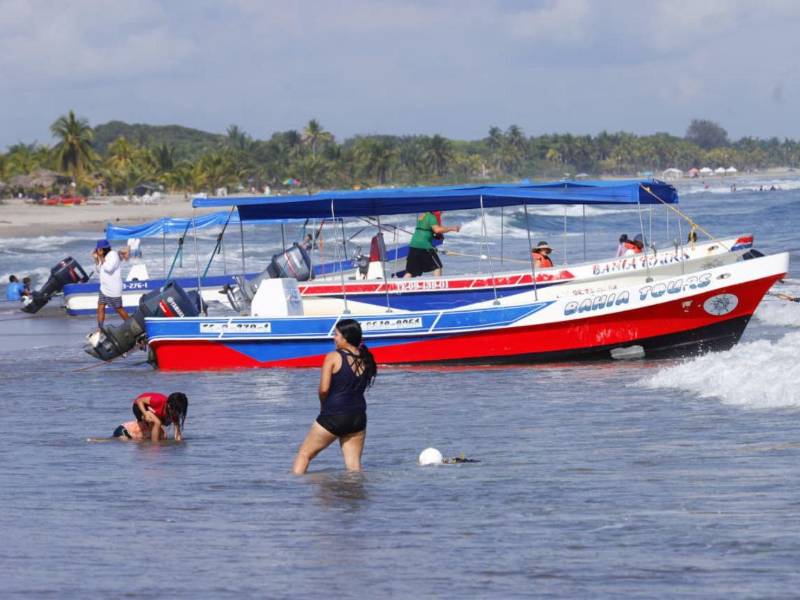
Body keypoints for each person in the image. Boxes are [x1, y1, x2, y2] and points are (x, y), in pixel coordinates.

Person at [293, 319, 377, 474]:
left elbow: (324, 389)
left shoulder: (333, 357)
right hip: (358, 417)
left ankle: (293, 491)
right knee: (354, 468)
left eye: (336, 334)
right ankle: (356, 495)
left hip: (334, 415)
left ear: (345, 337)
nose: (334, 338)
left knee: (304, 454)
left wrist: (323, 407)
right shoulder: (366, 358)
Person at [404, 210, 460, 278]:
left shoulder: (422, 215)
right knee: (437, 267)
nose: (441, 213)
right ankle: (437, 285)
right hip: (424, 246)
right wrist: (452, 228)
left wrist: (433, 236)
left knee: (410, 271)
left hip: (413, 244)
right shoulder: (432, 217)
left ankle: (401, 286)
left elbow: (426, 229)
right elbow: (437, 230)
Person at [113, 392, 188, 442]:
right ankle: (154, 445)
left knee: (163, 435)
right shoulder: (158, 400)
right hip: (139, 407)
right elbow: (139, 401)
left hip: (150, 410)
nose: (177, 414)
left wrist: (178, 442)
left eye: (179, 412)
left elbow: (177, 432)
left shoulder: (174, 413)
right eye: (175, 411)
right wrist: (145, 413)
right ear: (169, 405)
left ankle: (153, 439)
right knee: (157, 422)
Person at [92, 239, 130, 330]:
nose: (97, 251)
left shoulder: (113, 255)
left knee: (119, 309)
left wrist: (101, 257)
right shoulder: (103, 257)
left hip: (113, 289)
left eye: (98, 249)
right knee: (100, 307)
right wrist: (96, 259)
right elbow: (98, 270)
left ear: (103, 249)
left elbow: (109, 269)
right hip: (104, 288)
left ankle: (131, 325)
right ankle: (100, 328)